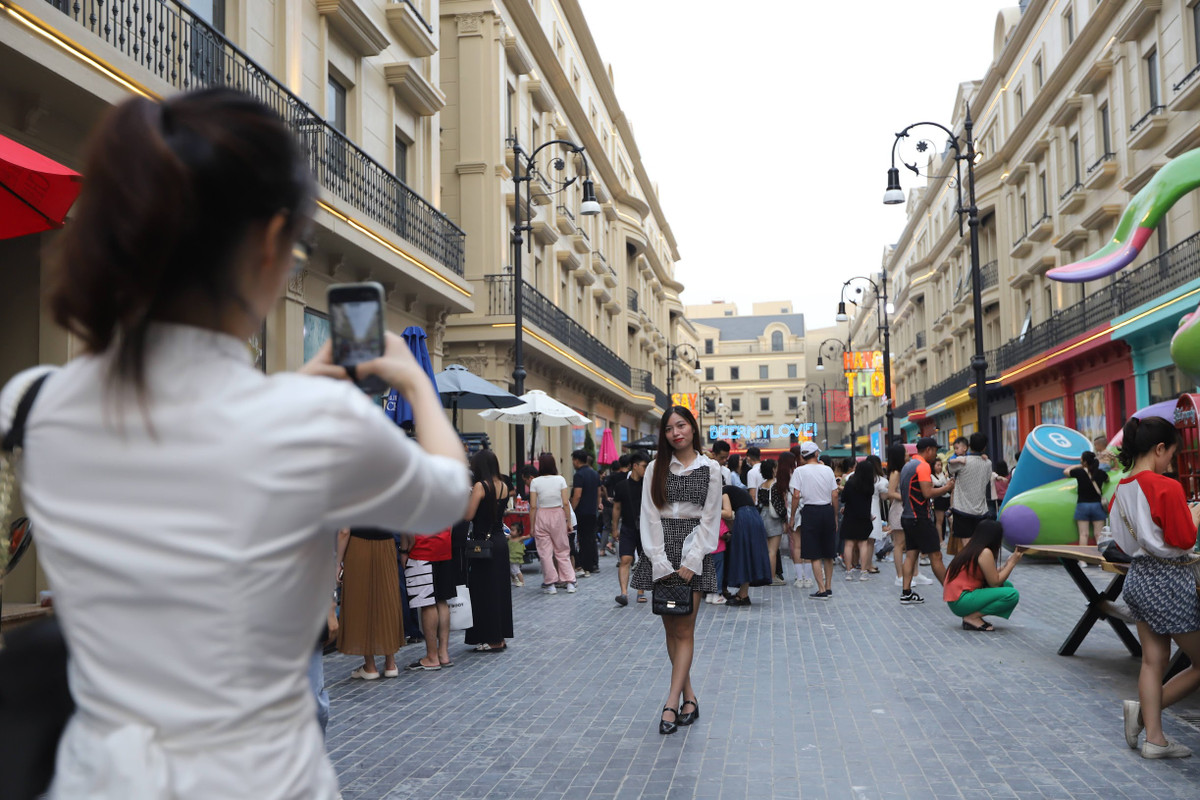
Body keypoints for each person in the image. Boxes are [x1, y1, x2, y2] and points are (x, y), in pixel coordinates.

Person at [0, 88, 470, 800]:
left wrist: (295, 393)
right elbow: (445, 493)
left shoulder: (31, 402)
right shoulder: (312, 422)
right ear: (269, 241)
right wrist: (413, 381)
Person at [1107, 416, 1200, 759]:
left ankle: (1154, 737)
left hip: (1138, 577)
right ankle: (1146, 722)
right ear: (1159, 448)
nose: (1171, 463)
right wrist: (1195, 516)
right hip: (1169, 581)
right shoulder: (1166, 486)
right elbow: (1184, 539)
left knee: (1153, 660)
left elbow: (1121, 540)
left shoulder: (1122, 488)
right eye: (1172, 455)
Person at [631, 406, 721, 735]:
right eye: (669, 429)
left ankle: (671, 703)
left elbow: (711, 517)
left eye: (680, 426)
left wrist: (692, 561)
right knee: (671, 629)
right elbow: (649, 514)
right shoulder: (656, 468)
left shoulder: (711, 469)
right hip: (660, 548)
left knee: (684, 629)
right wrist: (659, 560)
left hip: (693, 548)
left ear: (692, 428)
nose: (675, 433)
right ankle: (689, 698)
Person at [463, 449, 514, 652]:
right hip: (499, 540)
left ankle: (491, 639)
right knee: (499, 590)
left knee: (483, 591)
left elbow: (468, 515)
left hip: (482, 543)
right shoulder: (504, 485)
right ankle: (499, 635)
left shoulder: (480, 486)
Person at [336, 527, 403, 679]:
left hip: (359, 545)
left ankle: (370, 666)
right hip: (386, 545)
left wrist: (338, 562)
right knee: (387, 601)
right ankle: (390, 664)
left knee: (361, 602)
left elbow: (344, 530)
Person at [899, 437, 955, 605]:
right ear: (928, 450)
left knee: (911, 554)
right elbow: (927, 492)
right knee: (936, 555)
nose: (936, 454)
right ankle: (952, 593)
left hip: (907, 517)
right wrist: (947, 488)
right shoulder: (922, 466)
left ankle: (906, 593)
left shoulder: (907, 465)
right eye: (935, 450)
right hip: (919, 518)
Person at [943, 520, 1023, 631]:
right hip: (961, 600)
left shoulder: (974, 548)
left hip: (958, 599)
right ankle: (972, 617)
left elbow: (990, 574)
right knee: (1012, 595)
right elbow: (994, 583)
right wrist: (1012, 563)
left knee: (1007, 585)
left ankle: (972, 616)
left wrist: (1006, 565)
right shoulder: (984, 552)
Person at [402, 526, 456, 670]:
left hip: (423, 548)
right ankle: (443, 654)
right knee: (442, 601)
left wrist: (405, 549)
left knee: (427, 603)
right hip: (444, 545)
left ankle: (432, 657)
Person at [789, 441, 839, 599]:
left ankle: (821, 589)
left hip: (810, 511)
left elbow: (796, 495)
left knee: (814, 553)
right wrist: (835, 515)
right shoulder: (828, 470)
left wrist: (792, 516)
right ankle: (829, 586)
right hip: (827, 510)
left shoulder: (799, 471)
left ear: (803, 456)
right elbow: (835, 494)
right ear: (816, 454)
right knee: (829, 553)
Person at [529, 453, 577, 594]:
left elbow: (533, 506)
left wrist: (532, 526)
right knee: (562, 550)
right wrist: (568, 522)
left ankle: (550, 584)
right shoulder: (560, 480)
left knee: (545, 553)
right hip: (558, 515)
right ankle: (570, 582)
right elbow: (565, 503)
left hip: (542, 515)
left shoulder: (535, 482)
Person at [722, 481, 772, 605]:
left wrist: (707, 511)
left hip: (745, 518)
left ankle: (742, 595)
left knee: (743, 556)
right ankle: (743, 593)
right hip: (752, 517)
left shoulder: (723, 491)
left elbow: (728, 513)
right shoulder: (732, 490)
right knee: (748, 555)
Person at [612, 450, 650, 606]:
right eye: (644, 466)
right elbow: (616, 508)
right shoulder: (621, 486)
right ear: (635, 466)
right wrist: (614, 528)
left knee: (643, 560)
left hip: (645, 528)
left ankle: (641, 591)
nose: (646, 469)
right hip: (628, 527)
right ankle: (624, 593)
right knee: (625, 559)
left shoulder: (648, 485)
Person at [948, 433, 993, 557]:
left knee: (966, 545)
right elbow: (987, 480)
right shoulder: (987, 463)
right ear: (984, 447)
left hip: (962, 509)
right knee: (979, 543)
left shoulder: (962, 461)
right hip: (981, 510)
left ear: (969, 445)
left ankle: (969, 566)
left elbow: (950, 469)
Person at [840, 461, 879, 582]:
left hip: (850, 516)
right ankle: (863, 572)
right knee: (863, 544)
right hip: (864, 517)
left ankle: (848, 571)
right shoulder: (869, 485)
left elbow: (844, 498)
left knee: (849, 544)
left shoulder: (850, 483)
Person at [1066, 451, 1109, 547]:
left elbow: (1066, 471)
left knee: (1083, 534)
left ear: (1084, 461)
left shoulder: (1079, 472)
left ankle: (1082, 556)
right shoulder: (1100, 473)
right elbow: (1107, 479)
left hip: (1082, 505)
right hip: (1097, 506)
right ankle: (1100, 556)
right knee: (1099, 534)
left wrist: (1080, 466)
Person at [571, 449, 603, 576]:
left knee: (583, 539)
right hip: (592, 511)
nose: (573, 463)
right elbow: (599, 492)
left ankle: (585, 565)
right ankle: (594, 563)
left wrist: (571, 509)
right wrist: (597, 505)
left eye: (573, 460)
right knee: (591, 538)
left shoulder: (579, 475)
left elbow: (577, 495)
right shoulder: (595, 473)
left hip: (582, 511)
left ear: (577, 461)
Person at [757, 459, 787, 585]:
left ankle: (766, 575)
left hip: (762, 515)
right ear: (773, 470)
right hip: (773, 518)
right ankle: (772, 577)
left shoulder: (761, 485)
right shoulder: (775, 485)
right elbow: (779, 504)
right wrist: (785, 518)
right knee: (773, 550)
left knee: (766, 549)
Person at [931, 457, 951, 543]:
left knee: (950, 519)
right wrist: (945, 478)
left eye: (940, 465)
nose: (939, 467)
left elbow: (948, 483)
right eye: (938, 465)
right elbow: (938, 483)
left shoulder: (943, 474)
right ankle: (940, 540)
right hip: (939, 499)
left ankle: (951, 540)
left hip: (947, 498)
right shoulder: (932, 475)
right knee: (940, 520)